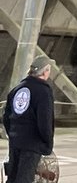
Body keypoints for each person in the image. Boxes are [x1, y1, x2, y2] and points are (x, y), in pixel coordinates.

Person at [2, 55, 55, 183]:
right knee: (24, 179)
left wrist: (13, 135)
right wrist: (47, 143)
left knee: (12, 177)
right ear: (45, 71)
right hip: (32, 144)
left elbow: (6, 117)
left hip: (15, 142)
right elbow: (45, 120)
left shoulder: (17, 89)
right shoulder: (43, 91)